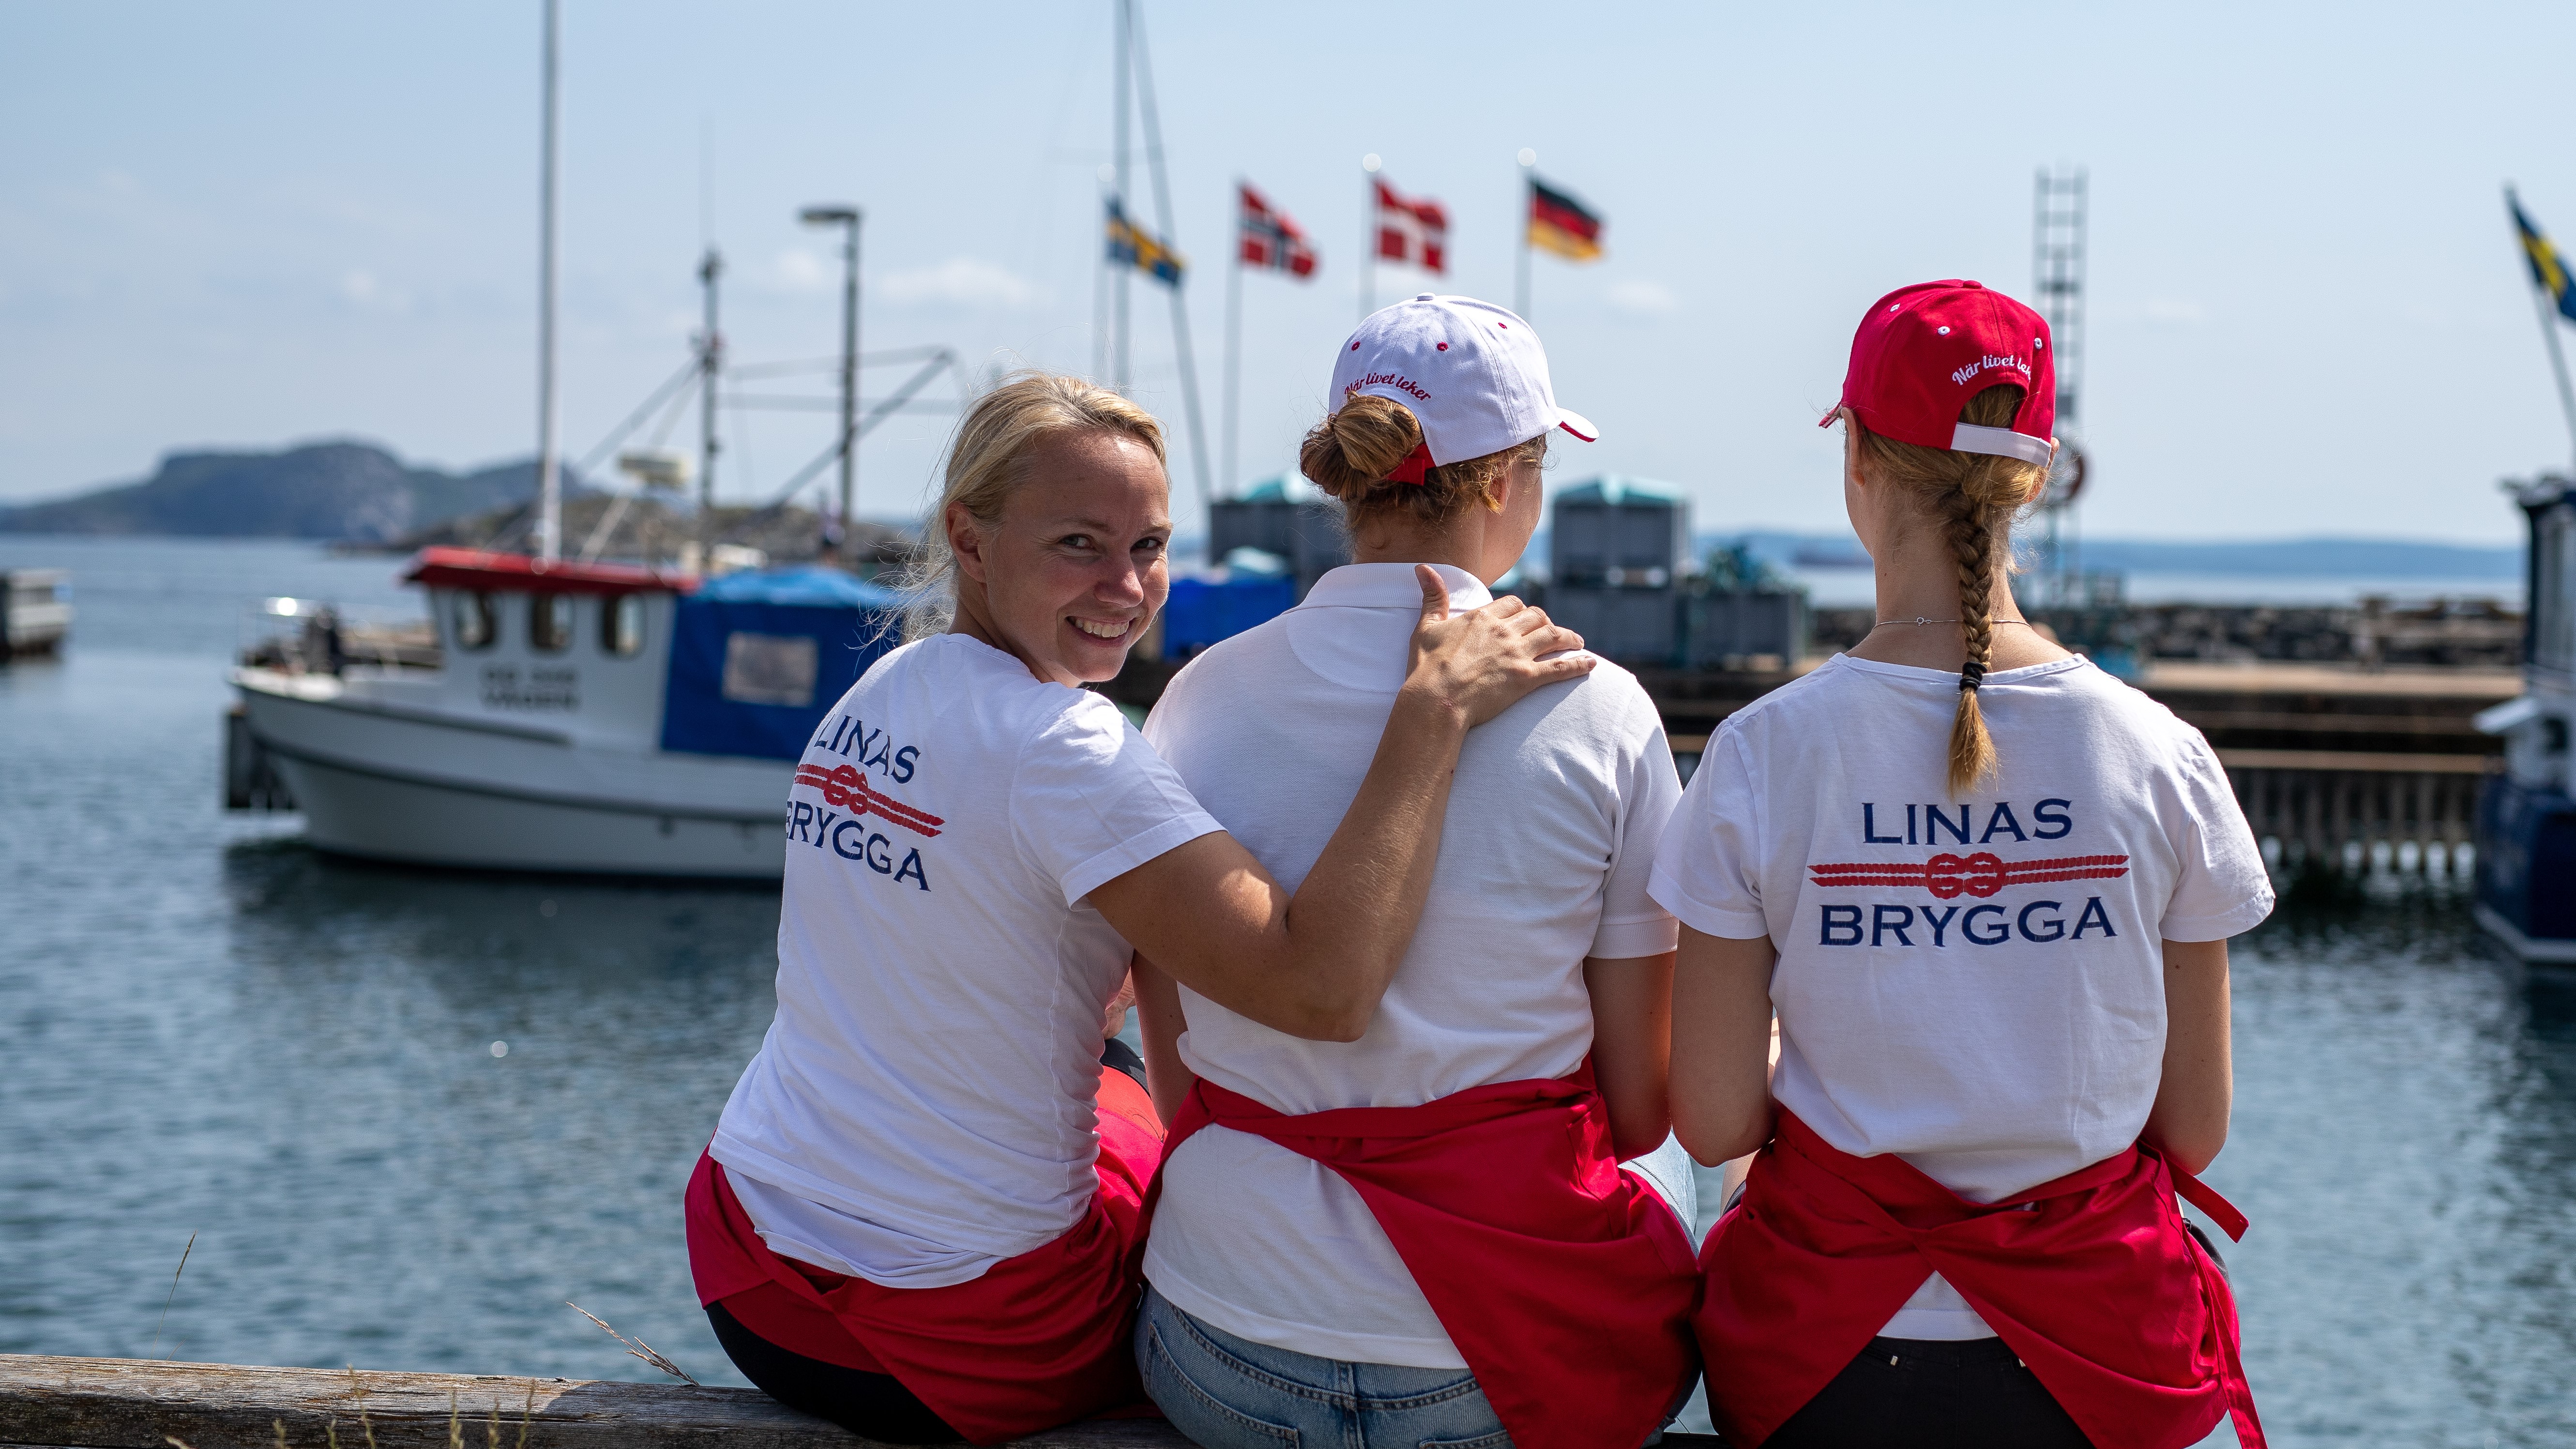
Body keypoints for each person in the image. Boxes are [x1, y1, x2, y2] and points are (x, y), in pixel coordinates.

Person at [685, 371, 1594, 1445]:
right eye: (1081, 544)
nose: (1127, 585)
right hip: (955, 1331)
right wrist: (1432, 708)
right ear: (967, 539)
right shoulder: (1065, 748)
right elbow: (1324, 989)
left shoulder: (884, 690)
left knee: (1123, 1083)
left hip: (749, 1262)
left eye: (1151, 547)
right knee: (1181, 1179)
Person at [1656, 280, 2274, 1449]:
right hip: (2100, 1357)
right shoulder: (2160, 753)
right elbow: (2193, 1130)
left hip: (1823, 1357)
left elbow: (1713, 1124)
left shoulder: (1761, 754)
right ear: (2036, 479)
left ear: (1859, 465)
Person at [1131, 296, 1702, 1449]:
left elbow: (1176, 1062)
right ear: (1501, 484)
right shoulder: (1600, 711)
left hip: (1224, 1347)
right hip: (1491, 1368)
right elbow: (1640, 1111)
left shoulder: (1199, 698)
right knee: (1696, 1142)